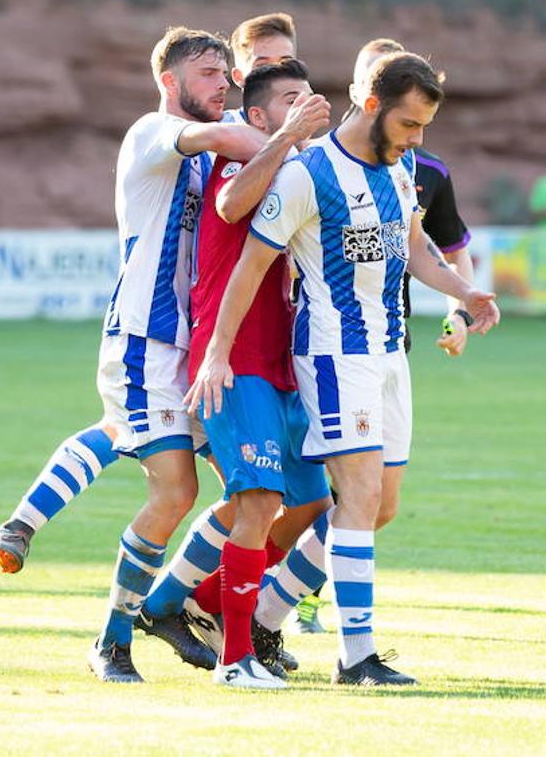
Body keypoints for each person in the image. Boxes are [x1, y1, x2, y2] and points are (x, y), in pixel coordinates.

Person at [190, 52, 498, 686]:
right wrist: (218, 351)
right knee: (355, 500)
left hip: (390, 353)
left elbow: (413, 245)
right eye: (410, 124)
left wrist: (465, 292)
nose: (418, 139)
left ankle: (262, 618)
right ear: (372, 105)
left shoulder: (403, 167)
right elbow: (250, 266)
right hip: (334, 356)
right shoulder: (308, 173)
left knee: (379, 505)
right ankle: (356, 658)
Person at [0, 13, 299, 577]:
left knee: (254, 488)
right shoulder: (153, 131)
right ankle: (120, 607)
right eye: (207, 74)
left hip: (195, 341)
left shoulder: (206, 156)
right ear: (170, 83)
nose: (222, 83)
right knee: (170, 477)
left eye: (225, 73)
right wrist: (291, 141)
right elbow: (229, 133)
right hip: (147, 331)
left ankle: (186, 602)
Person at [137, 60, 331, 689]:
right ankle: (234, 659)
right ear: (256, 116)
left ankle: (196, 603)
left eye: (310, 97)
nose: (306, 108)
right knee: (257, 501)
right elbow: (229, 204)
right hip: (232, 359)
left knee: (310, 501)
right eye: (290, 101)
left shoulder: (301, 170)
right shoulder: (239, 163)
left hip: (282, 364)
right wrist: (285, 138)